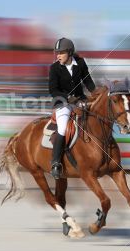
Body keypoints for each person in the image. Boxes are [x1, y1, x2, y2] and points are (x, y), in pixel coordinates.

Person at [48, 37, 96, 179]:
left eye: (61, 53)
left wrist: (95, 94)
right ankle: (56, 163)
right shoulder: (54, 68)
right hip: (63, 103)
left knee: (97, 117)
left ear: (69, 52)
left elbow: (88, 81)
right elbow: (53, 90)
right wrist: (68, 98)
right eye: (57, 53)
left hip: (80, 100)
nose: (58, 56)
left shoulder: (80, 63)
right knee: (62, 128)